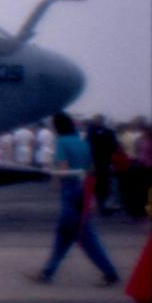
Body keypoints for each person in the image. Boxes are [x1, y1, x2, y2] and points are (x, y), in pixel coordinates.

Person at [31, 111, 120, 286]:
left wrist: (55, 182)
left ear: (57, 127)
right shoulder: (82, 142)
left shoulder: (62, 142)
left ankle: (110, 272)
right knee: (65, 234)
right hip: (84, 187)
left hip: (70, 190)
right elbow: (90, 168)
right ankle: (47, 272)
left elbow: (63, 168)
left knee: (83, 235)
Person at [86, 114, 120, 214]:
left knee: (104, 184)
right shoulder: (90, 133)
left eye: (99, 120)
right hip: (94, 162)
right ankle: (99, 204)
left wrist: (111, 161)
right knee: (96, 184)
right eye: (96, 120)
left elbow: (114, 147)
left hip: (105, 161)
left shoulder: (109, 133)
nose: (98, 122)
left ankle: (103, 204)